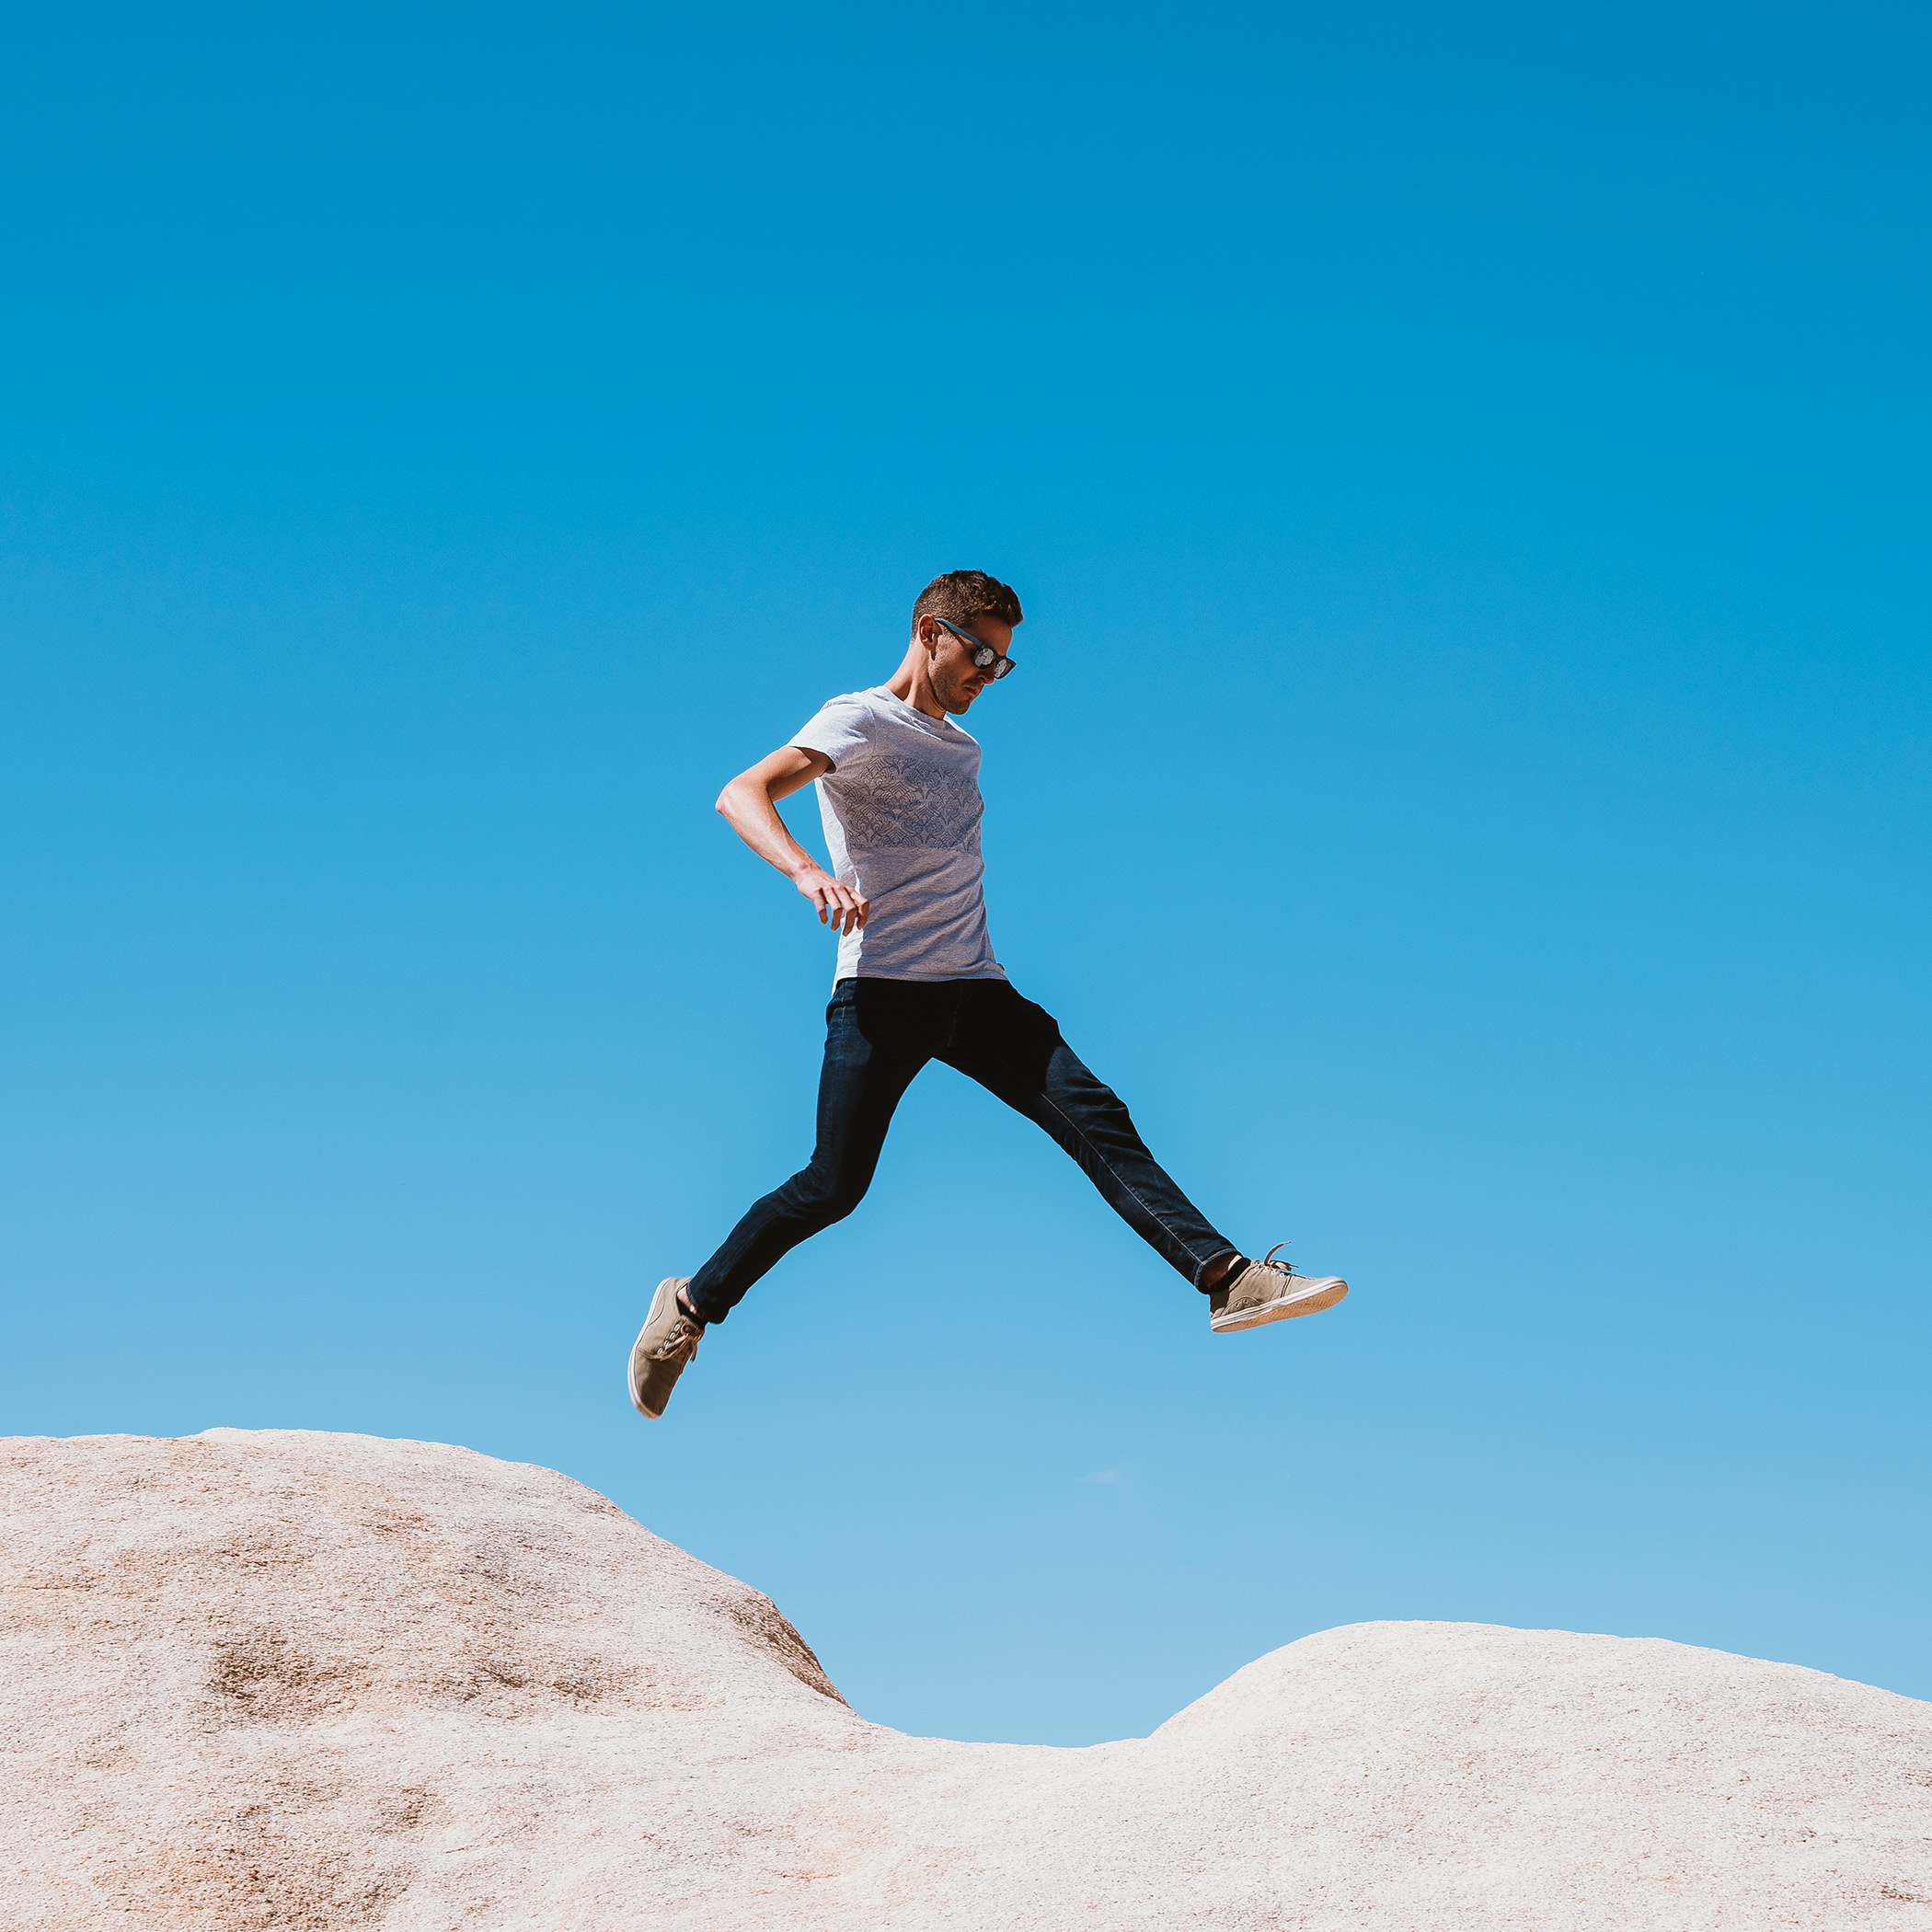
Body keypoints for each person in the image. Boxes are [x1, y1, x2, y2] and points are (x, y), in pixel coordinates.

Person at [628, 569, 1346, 1420]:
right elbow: (740, 791)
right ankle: (689, 1307)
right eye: (979, 654)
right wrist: (807, 871)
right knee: (833, 1184)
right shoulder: (856, 718)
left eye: (1002, 665)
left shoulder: (962, 747)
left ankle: (1228, 1280)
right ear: (930, 631)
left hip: (977, 987)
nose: (986, 676)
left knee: (1097, 1116)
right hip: (883, 992)